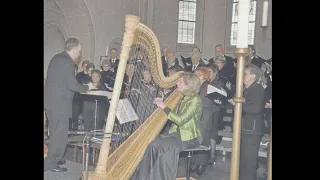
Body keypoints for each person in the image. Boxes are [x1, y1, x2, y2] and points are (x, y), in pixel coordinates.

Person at [130, 72, 202, 180]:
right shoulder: (181, 96)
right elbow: (171, 112)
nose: (177, 83)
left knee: (162, 146)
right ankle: (141, 177)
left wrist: (164, 107)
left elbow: (180, 120)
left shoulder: (196, 100)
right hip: (176, 134)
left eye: (180, 82)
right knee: (152, 144)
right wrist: (162, 103)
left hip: (190, 137)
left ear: (188, 85)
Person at [44, 38, 95, 172]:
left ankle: (55, 158)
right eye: (78, 51)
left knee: (57, 133)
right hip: (58, 105)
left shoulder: (57, 58)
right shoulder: (66, 62)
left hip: (53, 104)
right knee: (58, 134)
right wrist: (87, 87)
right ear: (73, 50)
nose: (79, 54)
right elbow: (72, 85)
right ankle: (50, 163)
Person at [228, 64, 265, 180]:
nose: (242, 76)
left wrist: (238, 104)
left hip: (252, 129)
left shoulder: (257, 88)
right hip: (246, 128)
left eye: (245, 74)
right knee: (243, 159)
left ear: (253, 76)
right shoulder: (248, 88)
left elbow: (255, 108)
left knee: (249, 161)